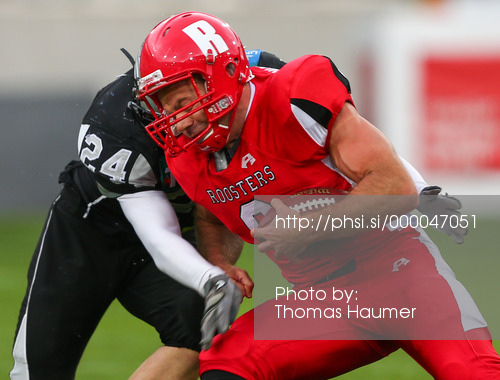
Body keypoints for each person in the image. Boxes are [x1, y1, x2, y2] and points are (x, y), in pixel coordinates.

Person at [135, 11, 500, 380]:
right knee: (227, 363)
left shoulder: (293, 99)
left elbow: (395, 187)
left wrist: (309, 228)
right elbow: (212, 212)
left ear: (224, 75)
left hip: (402, 275)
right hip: (323, 301)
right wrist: (220, 262)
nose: (178, 122)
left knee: (472, 372)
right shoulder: (189, 155)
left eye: (182, 103)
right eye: (165, 108)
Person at [10, 47, 285, 380]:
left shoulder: (263, 81)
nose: (177, 118)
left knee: (202, 328)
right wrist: (210, 278)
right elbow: (156, 233)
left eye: (182, 99)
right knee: (39, 368)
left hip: (181, 229)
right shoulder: (117, 123)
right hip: (91, 231)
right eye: (160, 101)